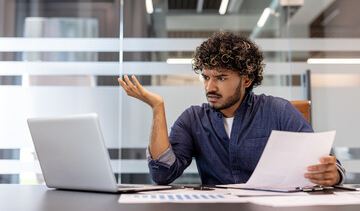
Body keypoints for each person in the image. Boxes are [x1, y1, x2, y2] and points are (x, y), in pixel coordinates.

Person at [118, 31, 345, 186]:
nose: (210, 87)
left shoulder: (279, 112)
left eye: (221, 78)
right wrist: (157, 108)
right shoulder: (193, 119)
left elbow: (325, 164)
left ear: (246, 80)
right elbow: (162, 174)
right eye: (206, 77)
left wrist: (333, 174)